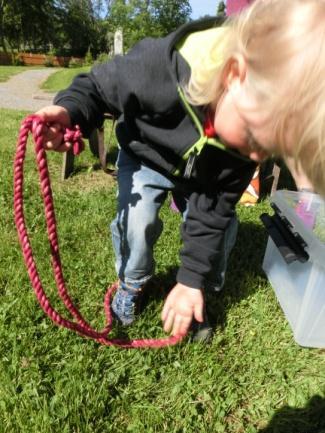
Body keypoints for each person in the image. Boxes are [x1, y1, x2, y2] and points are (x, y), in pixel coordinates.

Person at [35, 0, 325, 341]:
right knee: (138, 221)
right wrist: (70, 112)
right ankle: (132, 282)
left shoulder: (244, 145)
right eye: (253, 137)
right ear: (234, 75)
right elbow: (98, 87)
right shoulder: (160, 68)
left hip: (203, 170)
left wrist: (190, 281)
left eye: (270, 149)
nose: (254, 155)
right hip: (146, 154)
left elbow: (213, 208)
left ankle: (198, 293)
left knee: (222, 225)